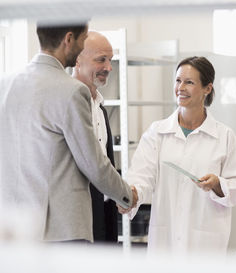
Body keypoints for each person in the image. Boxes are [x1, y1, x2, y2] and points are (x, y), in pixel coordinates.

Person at [0, 22, 137, 243]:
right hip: (60, 231)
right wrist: (127, 195)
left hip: (14, 229)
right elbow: (94, 164)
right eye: (82, 40)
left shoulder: (4, 85)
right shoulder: (71, 91)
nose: (81, 46)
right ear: (69, 39)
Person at [120, 56, 236, 255]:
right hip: (165, 242)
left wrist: (217, 184)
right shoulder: (157, 132)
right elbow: (141, 177)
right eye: (178, 80)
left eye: (189, 82)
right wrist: (131, 196)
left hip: (205, 245)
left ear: (207, 88)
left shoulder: (224, 136)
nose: (181, 87)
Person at [73, 31, 119, 243]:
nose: (108, 67)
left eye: (110, 60)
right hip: (78, 215)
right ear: (78, 60)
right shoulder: (68, 105)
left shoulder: (100, 106)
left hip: (104, 209)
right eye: (101, 59)